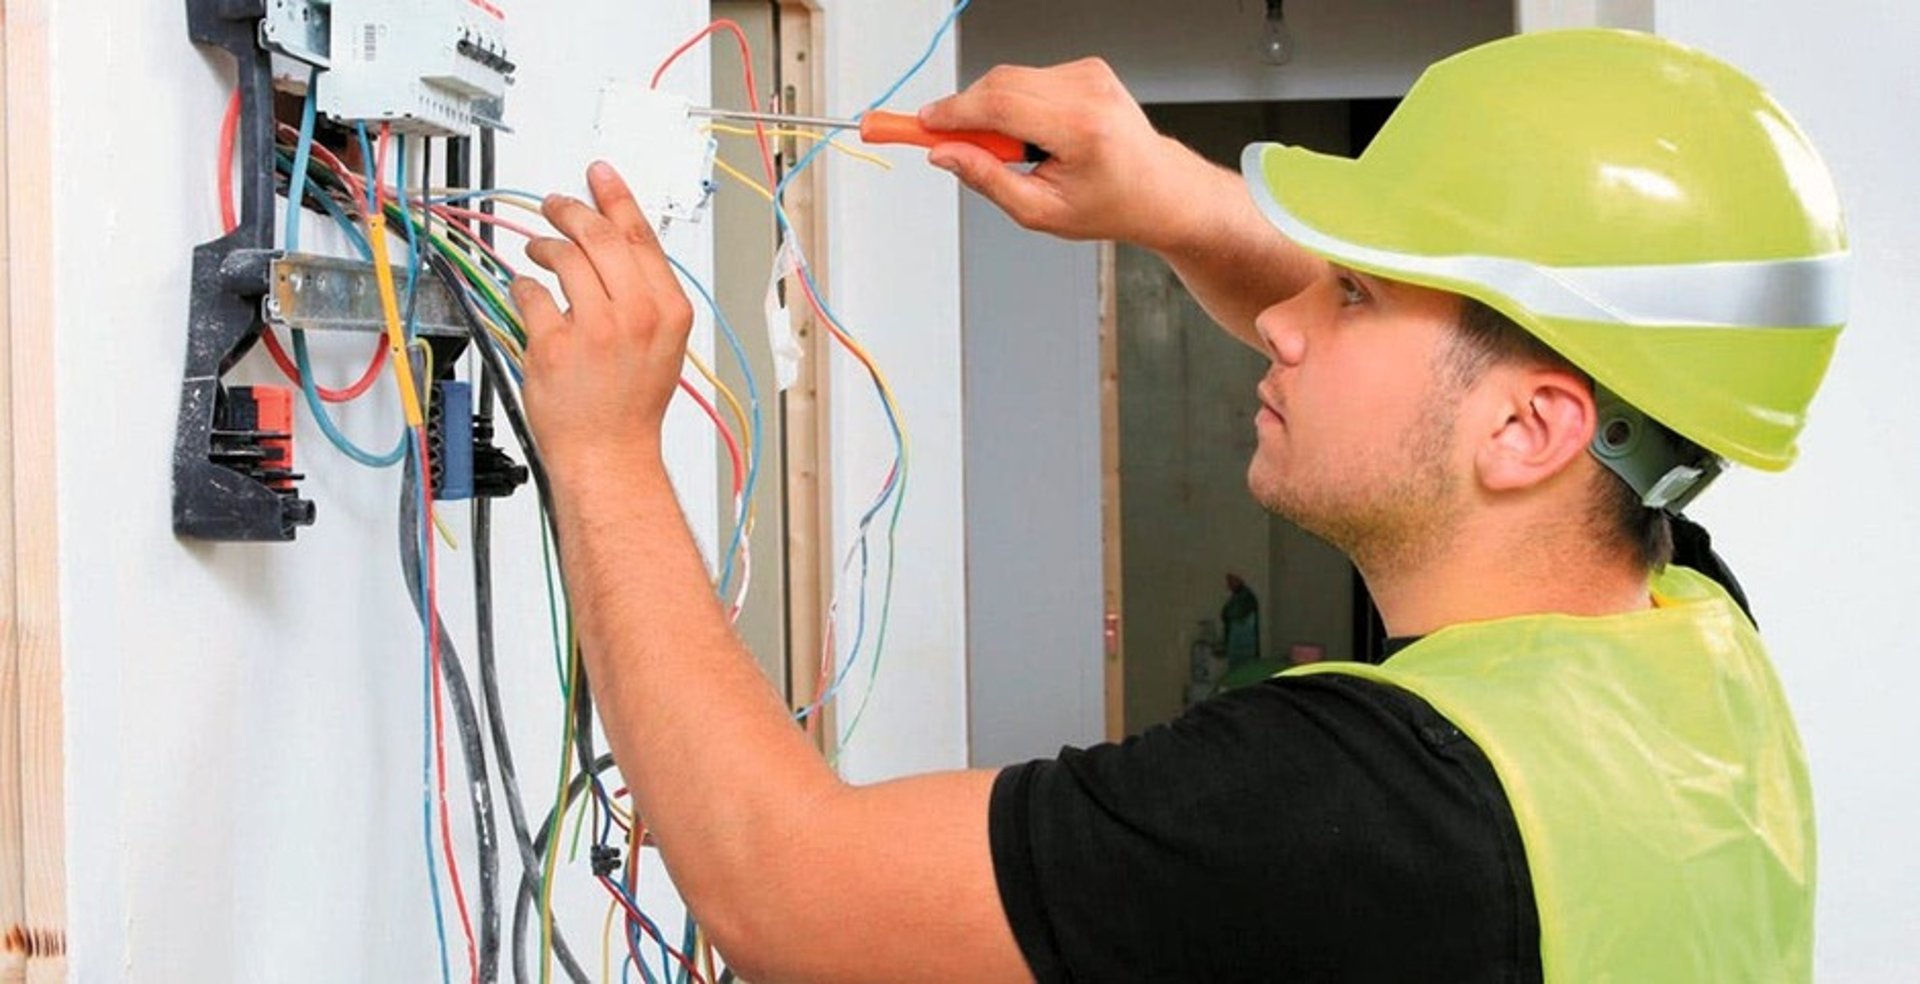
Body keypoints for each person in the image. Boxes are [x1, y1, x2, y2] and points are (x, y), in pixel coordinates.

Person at [510, 29, 1841, 983]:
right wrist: (1165, 190)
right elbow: (1491, 358)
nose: (1284, 322)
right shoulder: (1688, 637)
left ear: (1532, 428)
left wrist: (610, 444)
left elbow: (783, 892)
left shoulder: (1362, 804)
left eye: (1356, 293)